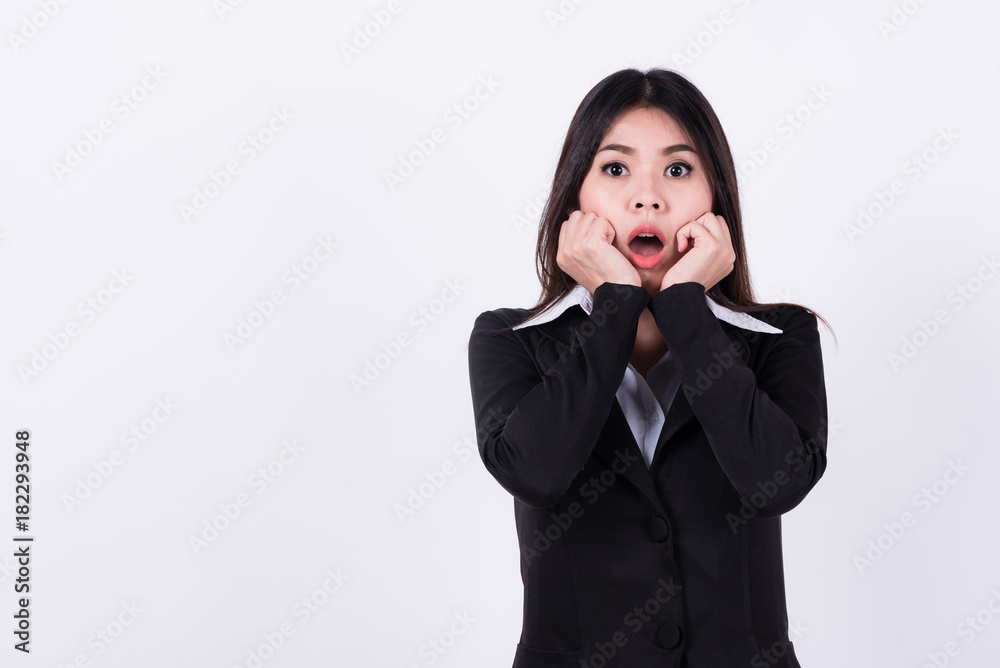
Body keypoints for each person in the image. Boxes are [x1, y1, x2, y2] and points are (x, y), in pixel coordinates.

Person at [466, 68, 831, 667]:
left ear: (716, 199)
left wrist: (685, 307)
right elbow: (534, 472)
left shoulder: (780, 336)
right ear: (574, 198)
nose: (648, 196)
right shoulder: (511, 339)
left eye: (678, 169)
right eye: (615, 169)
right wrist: (614, 303)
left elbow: (778, 483)